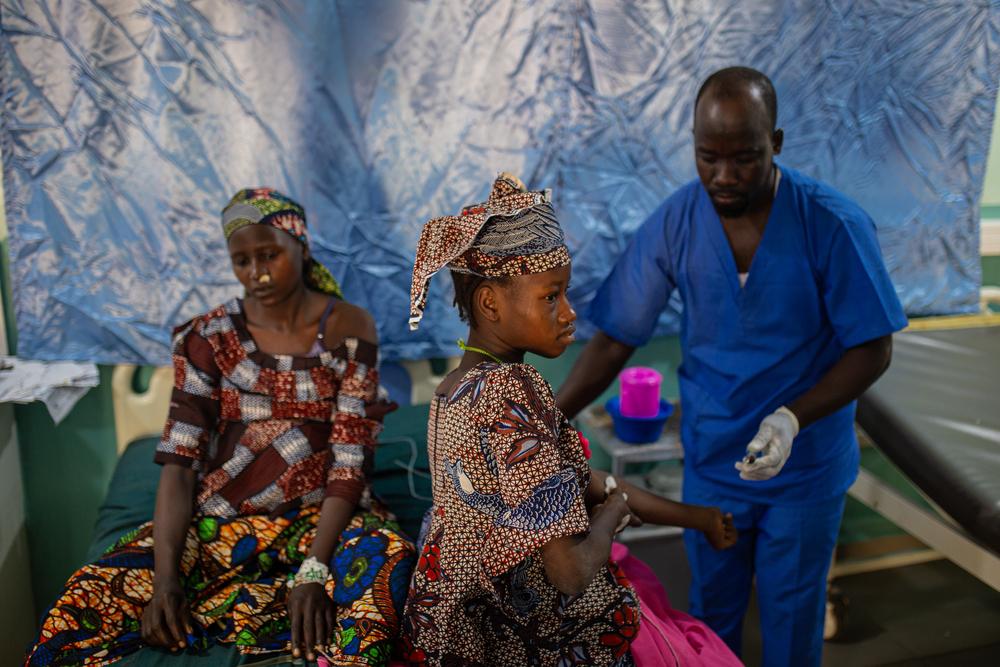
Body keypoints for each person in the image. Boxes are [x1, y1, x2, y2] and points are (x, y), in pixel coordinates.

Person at [556, 67, 908, 666]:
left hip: (804, 467)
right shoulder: (679, 221)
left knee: (792, 620)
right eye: (707, 157)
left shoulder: (831, 224)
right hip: (715, 458)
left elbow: (873, 347)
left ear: (776, 142)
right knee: (709, 622)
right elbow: (617, 339)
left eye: (743, 158)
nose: (723, 177)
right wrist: (547, 416)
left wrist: (793, 418)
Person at [25, 188, 415, 667]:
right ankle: (260, 609)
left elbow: (349, 461)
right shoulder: (206, 337)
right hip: (226, 520)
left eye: (269, 254)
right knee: (87, 599)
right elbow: (180, 464)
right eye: (242, 261)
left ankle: (291, 602)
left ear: (303, 247)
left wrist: (314, 570)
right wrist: (166, 580)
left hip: (325, 520)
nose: (258, 273)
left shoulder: (348, 327)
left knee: (388, 564)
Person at [399, 173, 742, 667]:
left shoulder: (455, 390)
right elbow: (571, 573)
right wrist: (610, 520)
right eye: (550, 296)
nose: (569, 313)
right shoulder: (512, 394)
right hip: (511, 636)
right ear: (490, 303)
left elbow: (582, 483)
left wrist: (698, 518)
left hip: (450, 626)